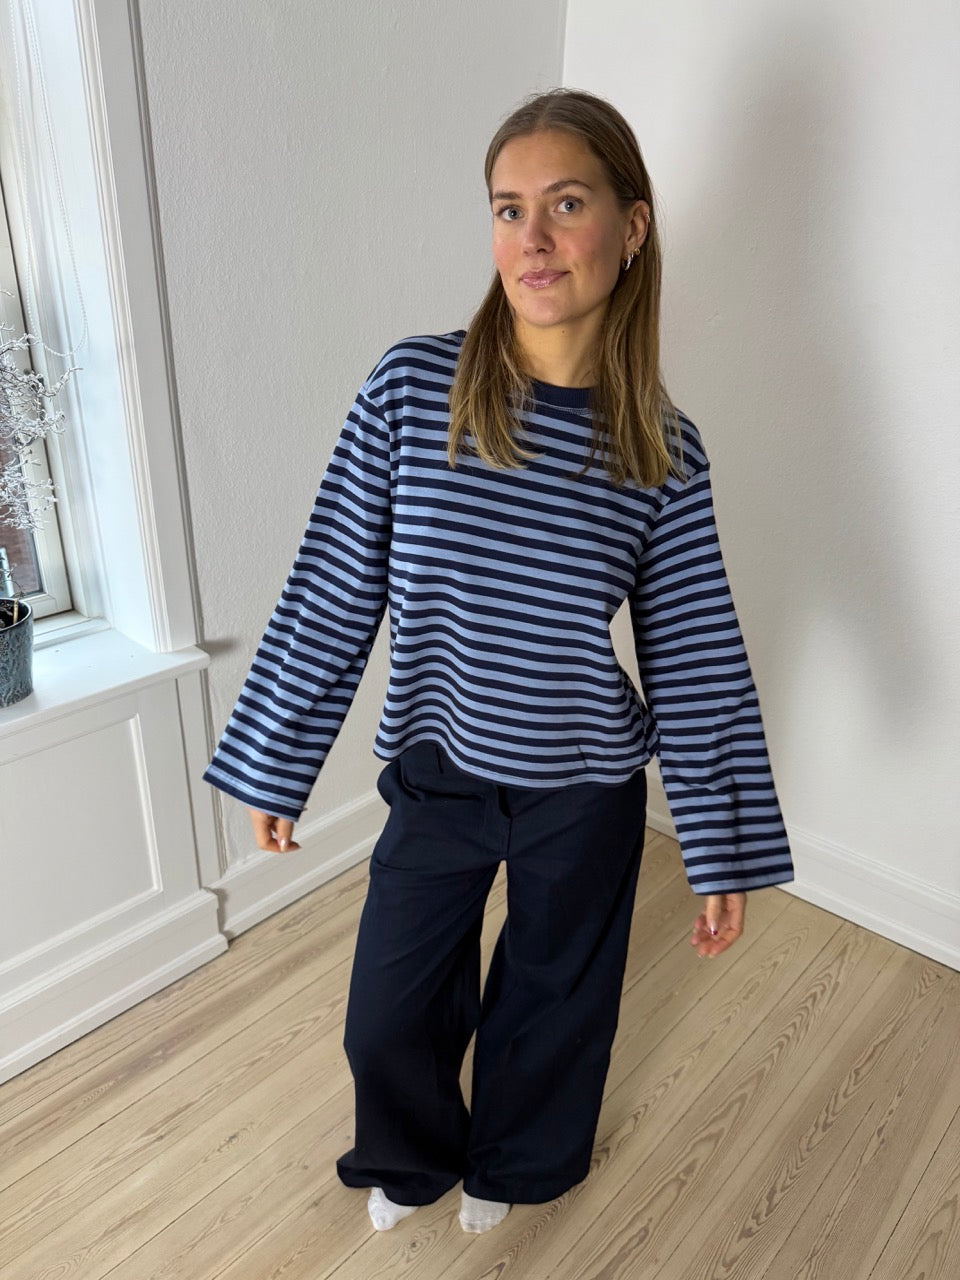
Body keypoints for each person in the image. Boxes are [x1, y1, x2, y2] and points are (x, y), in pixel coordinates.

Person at [201, 87, 794, 1235]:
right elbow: (333, 583)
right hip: (443, 767)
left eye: (566, 203)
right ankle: (411, 1153)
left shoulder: (662, 446)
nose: (532, 236)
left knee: (553, 998)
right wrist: (276, 757)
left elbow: (696, 652)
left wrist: (719, 845)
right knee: (391, 1005)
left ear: (631, 225)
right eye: (508, 208)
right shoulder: (412, 389)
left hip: (585, 784)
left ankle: (516, 1163)